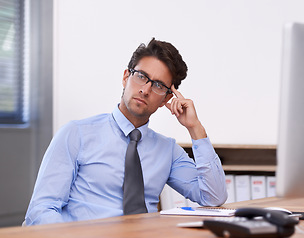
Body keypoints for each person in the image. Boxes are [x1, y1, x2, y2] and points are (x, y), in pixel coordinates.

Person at [24, 38, 227, 225]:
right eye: (141, 77)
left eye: (158, 85)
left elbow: (213, 197)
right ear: (125, 77)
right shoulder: (76, 134)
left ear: (166, 99)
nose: (145, 90)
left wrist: (195, 127)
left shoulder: (168, 151)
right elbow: (41, 210)